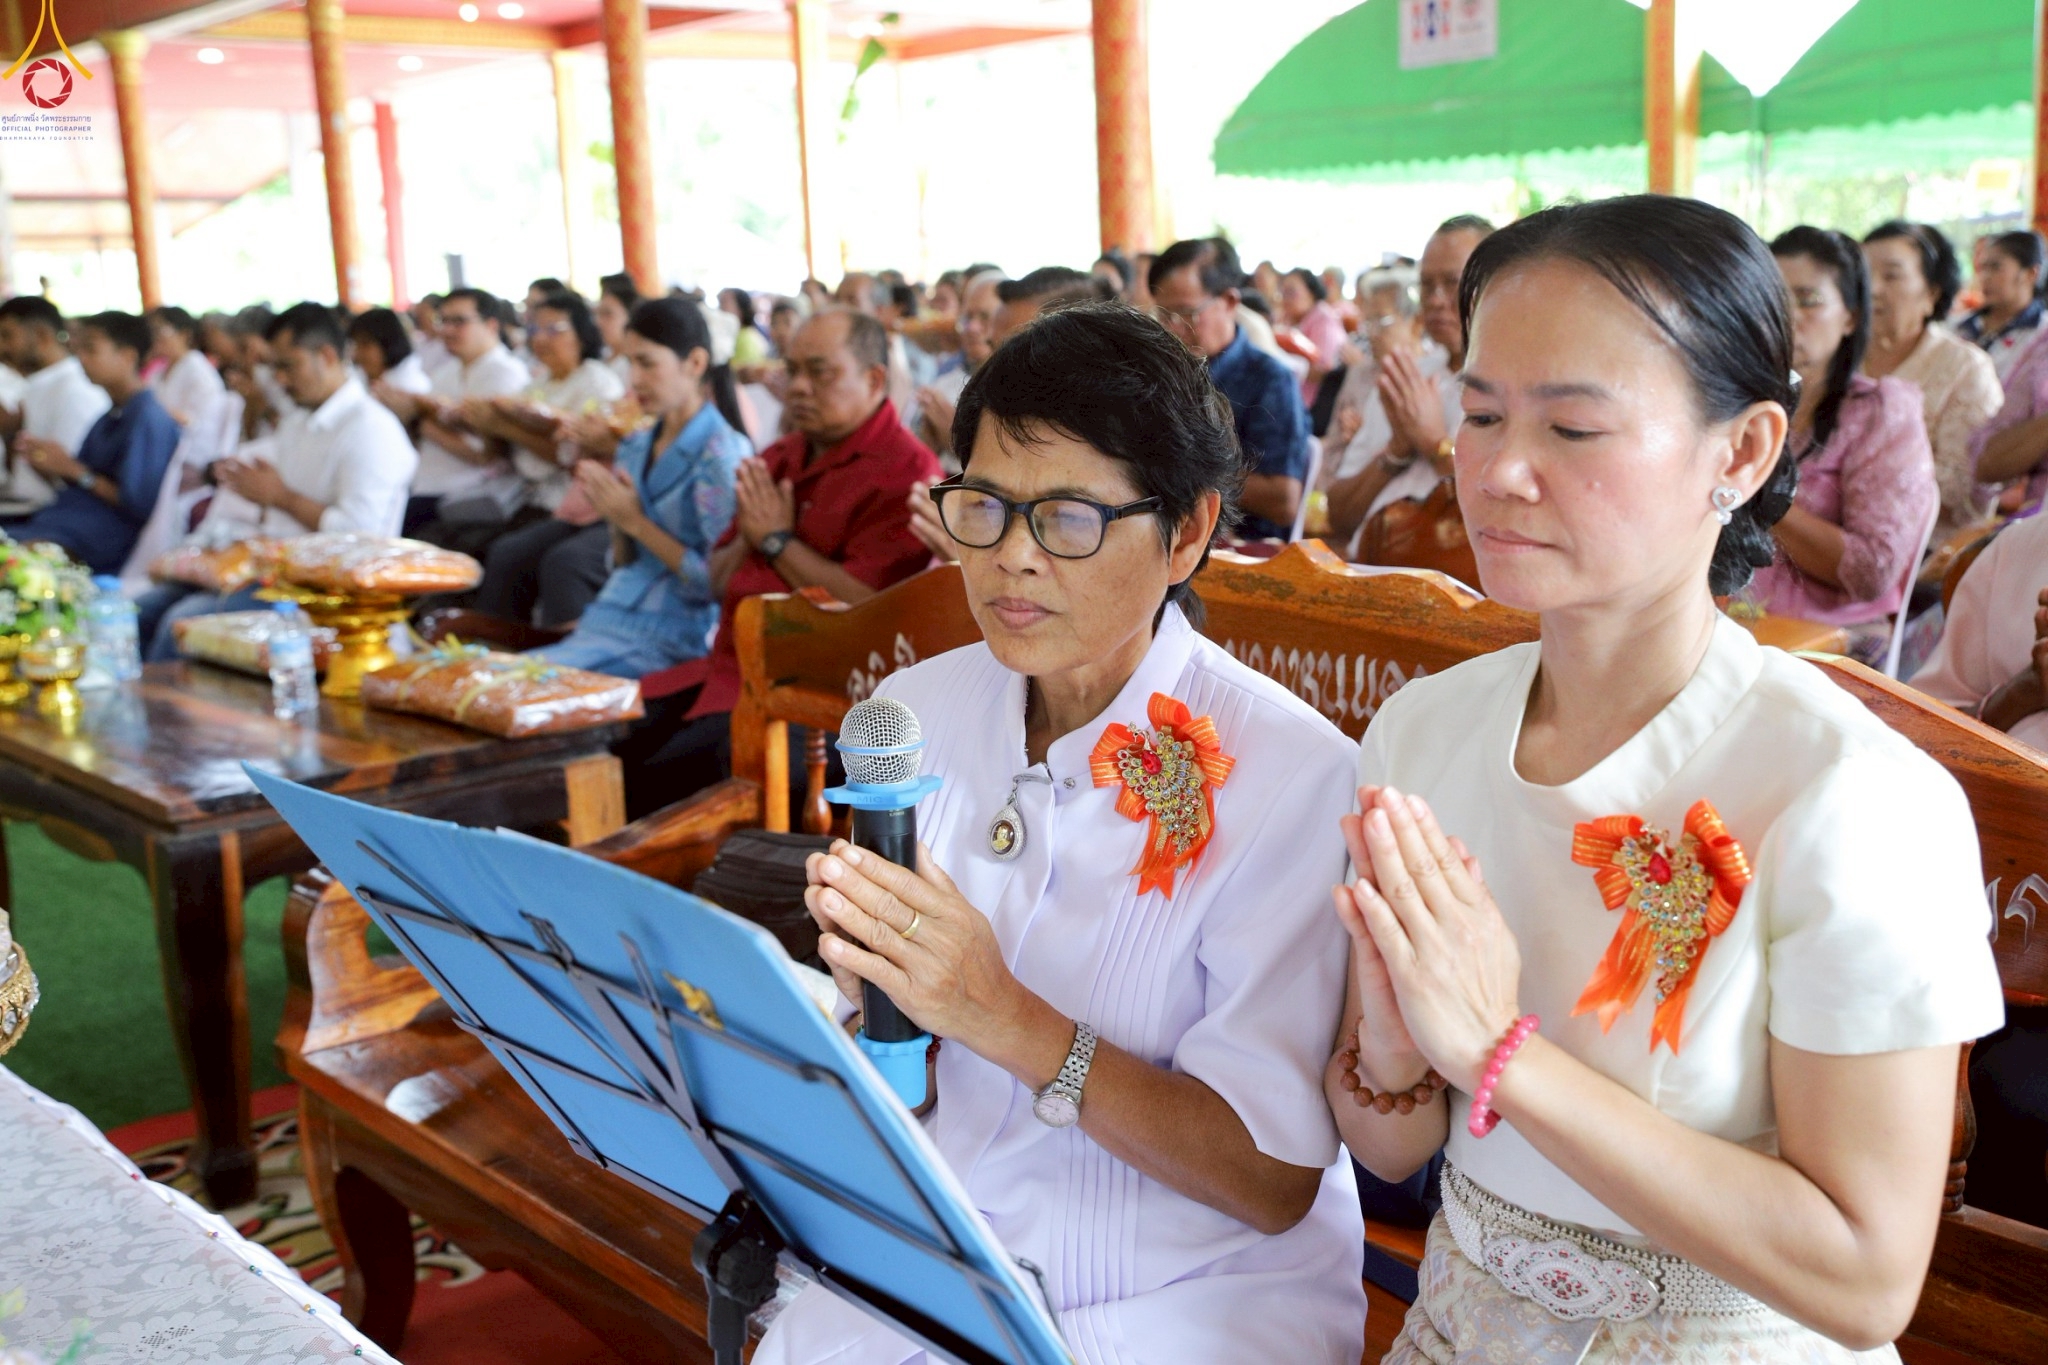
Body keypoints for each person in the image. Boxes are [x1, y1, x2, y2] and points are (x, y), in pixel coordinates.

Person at [1335, 194, 2001, 1363]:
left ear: (1739, 451)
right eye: (1480, 413)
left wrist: (1501, 1051)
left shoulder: (1847, 795)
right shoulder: (1422, 733)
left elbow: (1861, 1277)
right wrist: (1393, 1057)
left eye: (1572, 430)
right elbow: (1389, 1151)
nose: (1496, 472)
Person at [756, 300, 1367, 1365]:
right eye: (983, 507)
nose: (1011, 560)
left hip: (1182, 1295)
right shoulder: (913, 713)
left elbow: (1268, 1183)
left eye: (1069, 519)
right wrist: (874, 1002)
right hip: (950, 1241)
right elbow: (913, 1065)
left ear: (1184, 533)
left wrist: (1005, 1018)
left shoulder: (1288, 778)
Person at [625, 308, 939, 815]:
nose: (796, 387)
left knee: (664, 781)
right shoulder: (781, 456)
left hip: (820, 700)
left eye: (820, 372)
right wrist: (754, 537)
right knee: (610, 736)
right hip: (729, 667)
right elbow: (716, 583)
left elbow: (865, 613)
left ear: (874, 379)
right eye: (791, 371)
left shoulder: (907, 473)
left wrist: (775, 541)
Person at [140, 303, 418, 655]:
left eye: (288, 366)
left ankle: (170, 710)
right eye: (275, 367)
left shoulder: (370, 429)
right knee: (144, 610)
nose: (281, 380)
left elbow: (360, 536)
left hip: (324, 594)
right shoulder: (297, 421)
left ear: (327, 356)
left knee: (180, 624)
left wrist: (281, 497)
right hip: (270, 573)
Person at [529, 298, 751, 677]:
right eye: (630, 362)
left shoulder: (720, 453)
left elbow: (719, 583)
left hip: (675, 633)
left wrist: (633, 522)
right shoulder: (636, 443)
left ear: (694, 364)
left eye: (647, 363)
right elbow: (623, 562)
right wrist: (616, 520)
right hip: (608, 616)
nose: (634, 379)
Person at [1745, 228, 1936, 654]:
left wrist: (1757, 493)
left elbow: (1872, 570)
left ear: (1850, 317)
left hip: (1834, 643)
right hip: (1733, 624)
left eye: (1808, 300)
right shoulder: (1736, 403)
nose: (1789, 317)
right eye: (1775, 300)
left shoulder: (1880, 412)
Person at [1324, 216, 1493, 556]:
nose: (1434, 300)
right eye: (1426, 286)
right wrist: (1396, 452)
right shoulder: (1405, 378)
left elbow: (1506, 513)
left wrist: (1435, 445)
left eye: (1452, 283)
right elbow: (1338, 516)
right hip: (1369, 572)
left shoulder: (1516, 387)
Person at [1150, 238, 1311, 542]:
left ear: (1229, 302)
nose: (1173, 330)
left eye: (1187, 314)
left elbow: (1284, 500)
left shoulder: (1269, 379)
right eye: (1164, 317)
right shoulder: (1163, 373)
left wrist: (1182, 467)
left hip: (1245, 550)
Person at [5, 311, 179, 575]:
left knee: (16, 566)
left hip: (105, 534)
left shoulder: (148, 417)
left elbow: (140, 505)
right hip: (67, 518)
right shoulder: (111, 414)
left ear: (128, 356)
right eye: (78, 350)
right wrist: (49, 464)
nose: (81, 360)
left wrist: (73, 469)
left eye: (91, 350)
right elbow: (79, 477)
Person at [1860, 221, 2002, 538]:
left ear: (1932, 292)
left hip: (1930, 556)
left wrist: (1856, 475)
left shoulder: (1965, 369)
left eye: (1891, 275)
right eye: (1863, 274)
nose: (1872, 289)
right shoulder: (1840, 360)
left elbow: (1965, 492)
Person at [379, 287, 530, 537]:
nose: (447, 330)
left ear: (491, 325)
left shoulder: (505, 373)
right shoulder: (447, 372)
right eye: (443, 321)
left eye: (458, 322)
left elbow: (489, 456)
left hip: (469, 492)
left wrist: (420, 421)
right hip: (428, 485)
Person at [0, 295, 109, 513]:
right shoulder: (39, 384)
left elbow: (73, 478)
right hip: (22, 507)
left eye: (7, 336)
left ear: (41, 335)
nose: (2, 347)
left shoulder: (76, 389)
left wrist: (39, 458)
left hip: (51, 518)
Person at [914, 268, 1001, 466]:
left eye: (985, 317)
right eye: (967, 317)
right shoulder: (944, 384)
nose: (972, 328)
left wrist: (958, 442)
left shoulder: (1025, 392)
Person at [1957, 230, 2046, 381]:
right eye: (1982, 268)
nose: (1984, 277)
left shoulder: (2042, 335)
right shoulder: (1958, 326)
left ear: (2031, 273)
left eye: (1996, 267)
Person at [147, 305, 227, 468]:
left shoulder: (197, 369)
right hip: (164, 448)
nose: (154, 337)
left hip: (190, 455)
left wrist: (154, 413)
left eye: (160, 330)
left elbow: (198, 422)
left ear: (184, 334)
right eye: (151, 331)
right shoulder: (159, 372)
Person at [1279, 267, 1348, 403]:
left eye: (1291, 292)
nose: (1285, 299)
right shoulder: (1288, 318)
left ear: (1311, 292)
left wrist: (1281, 359)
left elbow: (1324, 372)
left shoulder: (1325, 320)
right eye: (1283, 292)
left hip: (1314, 405)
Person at [349, 307, 433, 401]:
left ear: (389, 344)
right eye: (356, 345)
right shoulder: (361, 379)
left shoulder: (411, 388)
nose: (357, 353)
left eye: (365, 344)